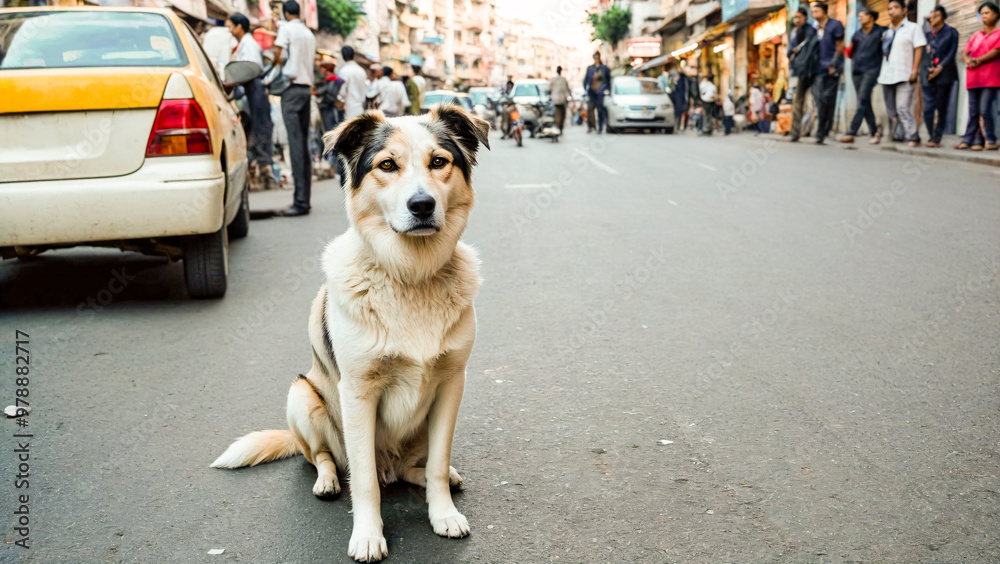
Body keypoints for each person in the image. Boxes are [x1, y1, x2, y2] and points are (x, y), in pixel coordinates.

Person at [273, 0, 316, 217]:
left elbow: (278, 55)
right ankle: (303, 200)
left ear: (285, 12)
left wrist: (275, 62)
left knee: (296, 145)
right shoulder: (308, 33)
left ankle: (300, 202)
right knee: (303, 145)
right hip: (306, 89)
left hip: (291, 89)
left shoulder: (286, 29)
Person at [226, 13, 278, 190]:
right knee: (252, 128)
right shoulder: (243, 44)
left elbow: (251, 69)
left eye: (231, 26)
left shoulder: (249, 44)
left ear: (239, 26)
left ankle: (266, 170)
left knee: (259, 128)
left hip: (254, 89)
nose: (229, 29)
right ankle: (260, 169)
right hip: (250, 90)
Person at [877, 0, 926, 147]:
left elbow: (919, 48)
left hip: (904, 74)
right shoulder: (887, 32)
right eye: (889, 8)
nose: (892, 11)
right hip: (887, 75)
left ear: (904, 10)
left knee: (903, 107)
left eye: (895, 8)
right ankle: (898, 135)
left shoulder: (913, 28)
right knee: (892, 111)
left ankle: (913, 136)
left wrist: (915, 70)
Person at [956, 2, 1000, 151]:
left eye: (987, 13)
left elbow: (997, 51)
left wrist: (978, 60)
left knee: (985, 109)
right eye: (982, 13)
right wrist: (968, 60)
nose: (984, 16)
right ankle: (971, 140)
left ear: (995, 14)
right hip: (973, 78)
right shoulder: (976, 35)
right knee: (973, 111)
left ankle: (991, 139)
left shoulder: (998, 34)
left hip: (990, 78)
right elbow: (965, 53)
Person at [841, 7, 885, 144]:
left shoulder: (881, 32)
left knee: (862, 100)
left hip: (872, 70)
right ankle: (875, 133)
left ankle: (851, 132)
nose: (859, 18)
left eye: (862, 16)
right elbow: (850, 52)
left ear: (871, 17)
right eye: (858, 16)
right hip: (857, 71)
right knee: (865, 102)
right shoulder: (857, 34)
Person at [920, 5, 959, 148]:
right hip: (928, 76)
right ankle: (931, 135)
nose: (932, 18)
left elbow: (951, 53)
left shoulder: (951, 32)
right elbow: (923, 56)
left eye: (935, 15)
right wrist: (926, 71)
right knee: (928, 108)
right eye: (931, 16)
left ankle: (937, 137)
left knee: (941, 107)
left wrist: (940, 67)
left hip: (945, 76)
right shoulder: (927, 35)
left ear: (942, 16)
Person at [809, 1, 845, 145]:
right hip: (816, 70)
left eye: (816, 10)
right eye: (812, 11)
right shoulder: (813, 28)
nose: (814, 13)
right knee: (819, 100)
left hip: (831, 69)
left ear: (824, 11)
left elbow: (840, 46)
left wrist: (834, 64)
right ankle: (821, 131)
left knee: (829, 99)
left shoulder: (835, 25)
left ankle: (824, 131)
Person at [788, 6, 819, 141]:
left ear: (805, 18)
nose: (796, 20)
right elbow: (790, 52)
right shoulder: (795, 33)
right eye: (795, 17)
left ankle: (819, 133)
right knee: (797, 102)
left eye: (799, 17)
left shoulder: (810, 32)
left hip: (813, 71)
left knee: (818, 102)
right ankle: (795, 133)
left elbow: (810, 53)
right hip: (801, 72)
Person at [337, 45, 368, 121]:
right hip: (360, 110)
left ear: (343, 57)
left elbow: (341, 93)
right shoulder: (361, 71)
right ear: (354, 55)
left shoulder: (343, 71)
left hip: (348, 111)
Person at [583, 51, 611, 133]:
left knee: (600, 110)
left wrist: (608, 90)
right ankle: (591, 126)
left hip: (601, 92)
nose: (596, 59)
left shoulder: (604, 68)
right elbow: (586, 80)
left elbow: (608, 80)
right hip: (592, 91)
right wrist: (586, 89)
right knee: (590, 109)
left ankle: (600, 127)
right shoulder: (590, 68)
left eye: (597, 57)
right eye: (595, 57)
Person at [549, 65, 571, 134]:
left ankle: (558, 127)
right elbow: (567, 90)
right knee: (561, 115)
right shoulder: (563, 80)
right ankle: (559, 127)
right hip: (561, 100)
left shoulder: (553, 80)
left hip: (556, 99)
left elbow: (549, 89)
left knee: (558, 114)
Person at [667, 65, 689, 130]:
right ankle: (675, 125)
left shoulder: (682, 81)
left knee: (680, 112)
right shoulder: (671, 82)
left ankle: (679, 125)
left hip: (680, 99)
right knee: (675, 112)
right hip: (674, 99)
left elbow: (685, 90)